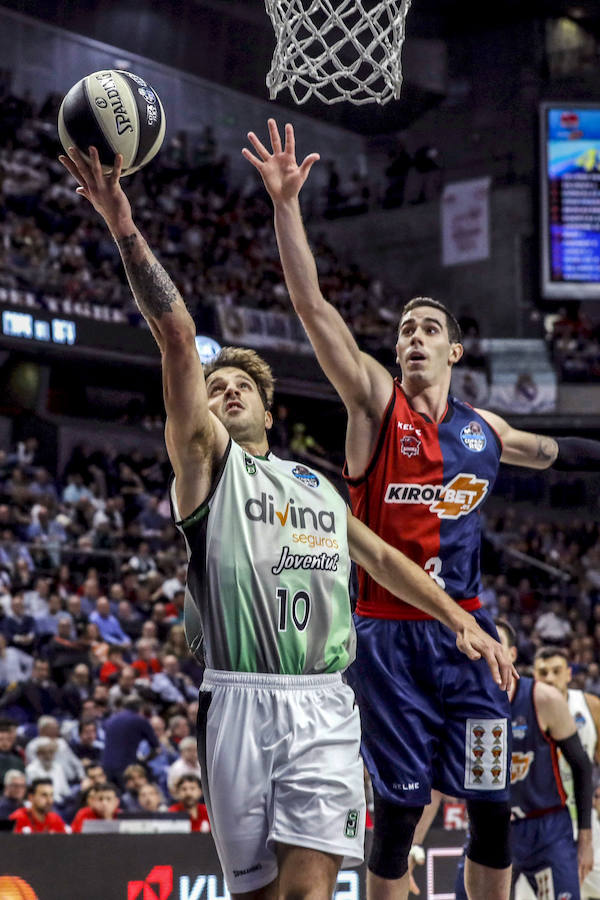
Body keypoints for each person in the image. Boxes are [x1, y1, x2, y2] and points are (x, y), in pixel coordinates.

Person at [59, 143, 514, 900]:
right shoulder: (205, 466)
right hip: (237, 696)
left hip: (323, 699)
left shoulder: (314, 484)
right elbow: (176, 335)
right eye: (215, 386)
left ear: (270, 409)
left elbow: (381, 558)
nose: (226, 391)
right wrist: (123, 222)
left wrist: (456, 617)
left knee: (308, 894)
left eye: (241, 384)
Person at [242, 118, 600, 900]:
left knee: (492, 808)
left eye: (429, 328)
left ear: (454, 351)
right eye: (405, 328)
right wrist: (286, 208)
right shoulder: (375, 405)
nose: (413, 337)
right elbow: (314, 311)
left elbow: (554, 452)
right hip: (391, 642)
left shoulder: (483, 430)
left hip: (469, 638)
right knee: (400, 818)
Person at [454, 620, 593, 900]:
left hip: (548, 827)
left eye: (496, 644)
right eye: (481, 644)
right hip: (494, 825)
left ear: (513, 654)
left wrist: (586, 838)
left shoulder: (544, 698)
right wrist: (415, 842)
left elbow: (582, 765)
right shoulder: (460, 702)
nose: (488, 651)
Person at [533, 646, 600, 900]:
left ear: (569, 674)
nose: (550, 677)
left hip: (585, 819)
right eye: (543, 672)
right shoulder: (526, 709)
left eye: (556, 671)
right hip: (543, 823)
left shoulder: (590, 706)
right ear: (534, 676)